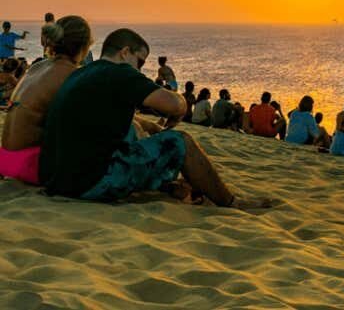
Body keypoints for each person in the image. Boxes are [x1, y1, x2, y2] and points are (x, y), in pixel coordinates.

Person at [38, 28, 267, 209]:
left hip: (55, 181)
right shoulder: (120, 72)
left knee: (133, 129)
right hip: (90, 184)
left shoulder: (81, 73)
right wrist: (178, 111)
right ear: (125, 52)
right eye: (140, 61)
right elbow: (175, 104)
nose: (141, 69)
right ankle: (230, 202)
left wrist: (148, 125)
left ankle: (170, 185)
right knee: (181, 141)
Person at [0, 16, 92, 184]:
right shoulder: (71, 75)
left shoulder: (38, 67)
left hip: (5, 159)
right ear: (84, 46)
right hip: (27, 166)